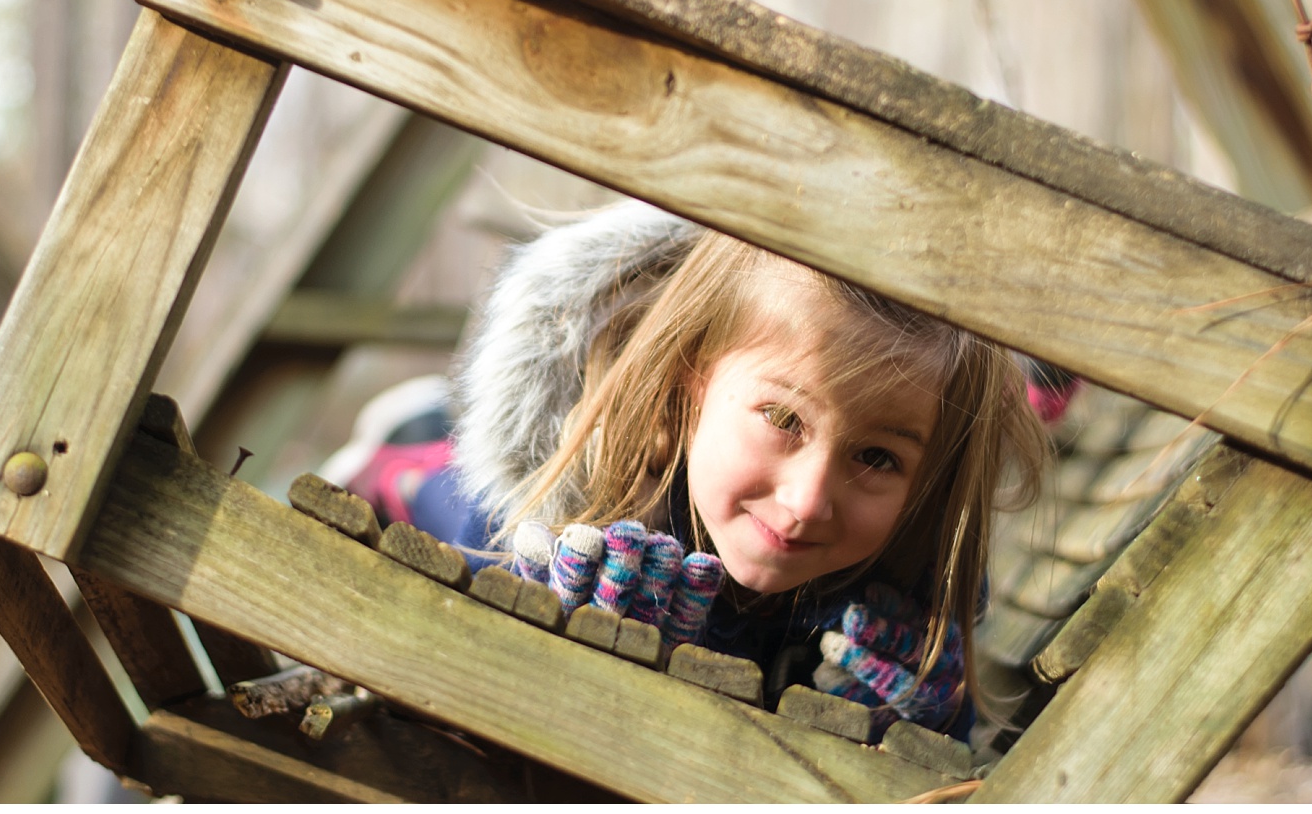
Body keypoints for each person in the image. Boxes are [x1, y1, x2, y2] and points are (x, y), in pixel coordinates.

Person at [351, 203, 1046, 742]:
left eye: (876, 457)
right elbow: (472, 688)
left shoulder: (912, 574)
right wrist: (562, 624)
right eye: (782, 420)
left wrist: (924, 721)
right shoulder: (575, 488)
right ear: (691, 389)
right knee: (434, 488)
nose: (807, 501)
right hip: (457, 501)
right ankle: (396, 454)